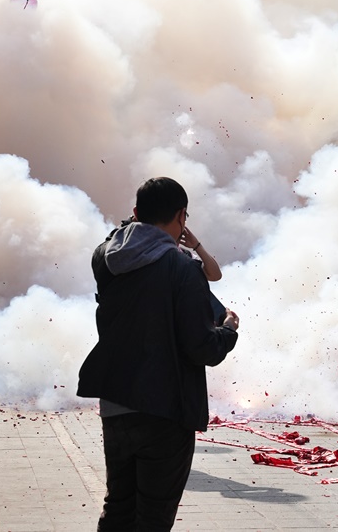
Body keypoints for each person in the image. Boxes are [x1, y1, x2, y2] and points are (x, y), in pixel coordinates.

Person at [78, 177, 240, 532]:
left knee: (118, 509)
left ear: (135, 213)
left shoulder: (104, 259)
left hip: (116, 404)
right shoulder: (182, 268)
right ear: (182, 215)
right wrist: (228, 331)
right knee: (153, 518)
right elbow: (202, 348)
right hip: (166, 410)